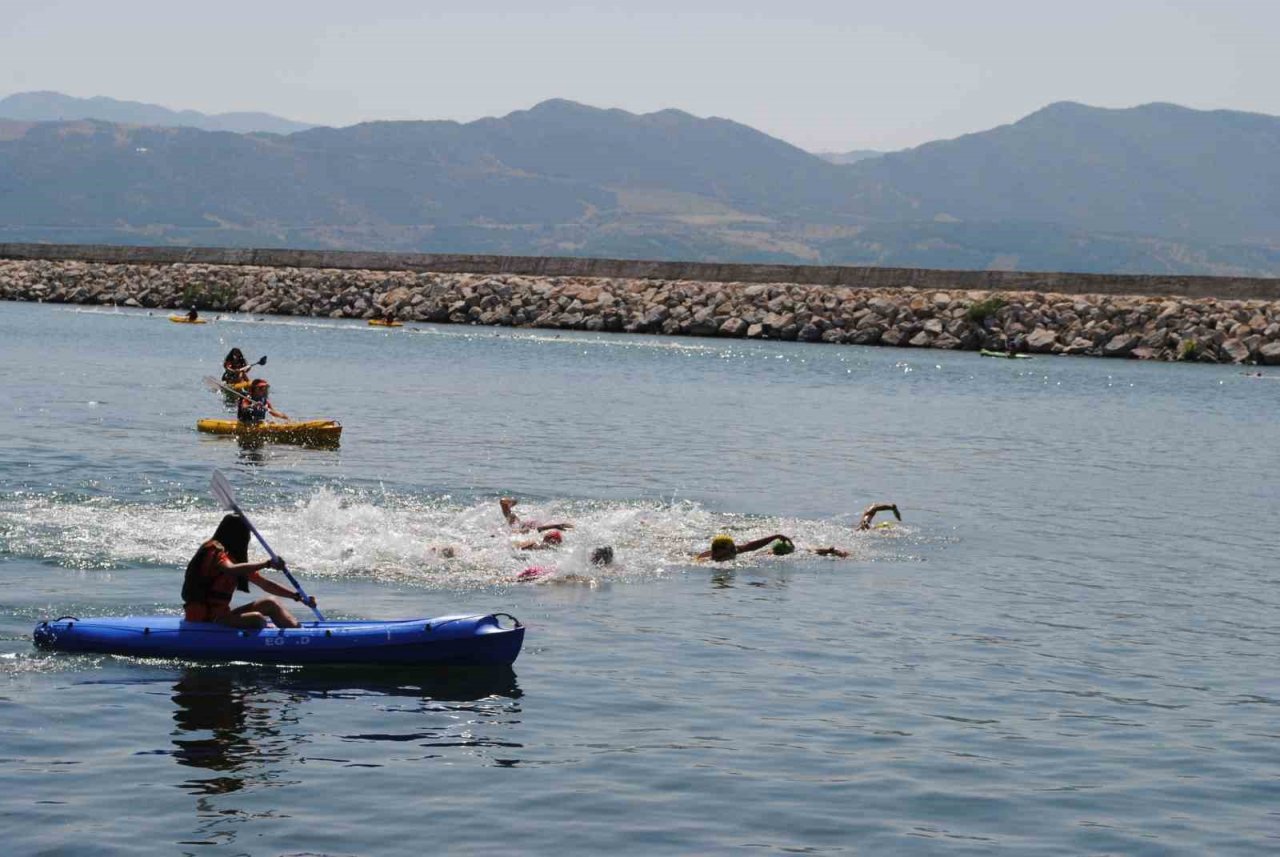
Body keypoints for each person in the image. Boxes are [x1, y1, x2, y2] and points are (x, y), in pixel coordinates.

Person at [182, 514, 317, 629]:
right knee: (256, 619)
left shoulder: (234, 559)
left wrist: (297, 596)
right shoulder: (214, 551)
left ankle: (298, 633)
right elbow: (230, 569)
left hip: (222, 615)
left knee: (271, 603)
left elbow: (265, 584)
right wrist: (267, 564)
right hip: (205, 620)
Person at [696, 533, 793, 562]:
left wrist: (775, 536)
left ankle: (770, 552)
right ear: (717, 552)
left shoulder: (732, 551)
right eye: (731, 551)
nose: (734, 552)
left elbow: (751, 546)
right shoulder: (704, 560)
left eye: (734, 549)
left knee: (760, 554)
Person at [499, 497, 572, 533]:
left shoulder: (517, 527)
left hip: (524, 526)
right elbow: (539, 529)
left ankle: (511, 504)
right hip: (526, 526)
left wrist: (556, 526)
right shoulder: (520, 528)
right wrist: (556, 526)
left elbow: (502, 501)